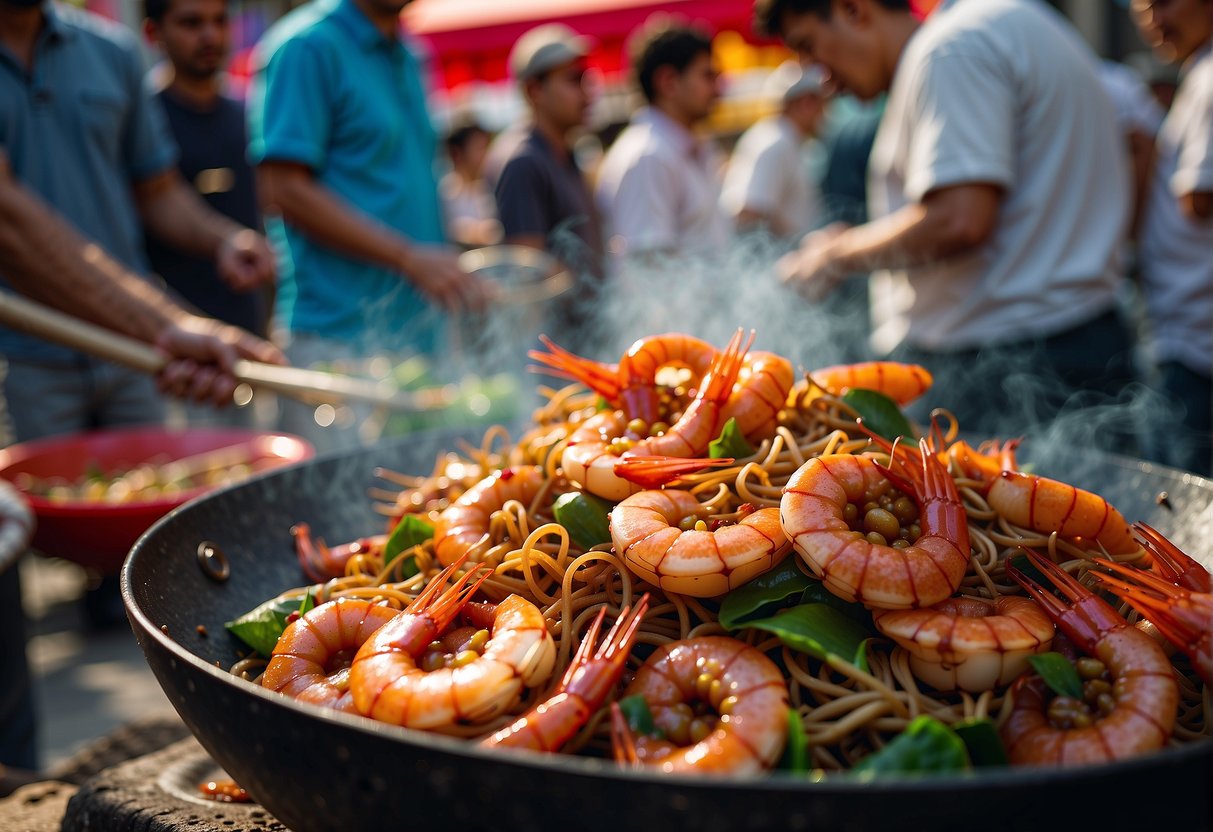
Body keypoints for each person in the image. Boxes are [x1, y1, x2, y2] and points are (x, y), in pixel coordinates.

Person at [0, 150, 284, 777]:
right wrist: (167, 326)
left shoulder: (106, 54)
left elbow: (16, 212)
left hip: (116, 321)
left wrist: (167, 327)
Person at [0, 0, 277, 628]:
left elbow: (157, 191)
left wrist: (219, 239)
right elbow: (8, 218)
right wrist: (166, 323)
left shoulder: (111, 52)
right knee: (43, 533)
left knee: (150, 531)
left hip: (129, 341)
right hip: (29, 346)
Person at [758, 0, 1137, 444]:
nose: (820, 77)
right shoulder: (1006, 21)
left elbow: (960, 218)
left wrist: (833, 256)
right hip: (1076, 341)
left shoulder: (949, 51)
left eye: (809, 46)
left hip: (1014, 370)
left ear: (853, 10)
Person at [143, 0, 273, 428]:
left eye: (219, 21)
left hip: (249, 344)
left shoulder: (247, 115)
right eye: (191, 23)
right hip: (174, 358)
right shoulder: (143, 121)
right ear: (153, 32)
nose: (210, 36)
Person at [1131, 0, 1212, 476]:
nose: (1153, 21)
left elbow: (1199, 196)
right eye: (1142, 8)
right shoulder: (1198, 71)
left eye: (1164, 2)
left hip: (1193, 339)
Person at [494, 23, 606, 341]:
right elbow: (527, 269)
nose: (587, 92)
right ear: (534, 91)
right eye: (573, 80)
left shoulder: (566, 153)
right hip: (556, 352)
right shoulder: (523, 162)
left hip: (586, 338)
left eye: (585, 78)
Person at [594, 20, 728, 259]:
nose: (718, 90)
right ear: (668, 82)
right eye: (708, 76)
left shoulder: (685, 148)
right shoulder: (648, 157)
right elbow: (651, 271)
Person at [720, 60, 828, 239]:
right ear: (806, 103)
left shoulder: (782, 139)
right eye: (823, 103)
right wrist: (794, 243)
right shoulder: (776, 143)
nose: (825, 111)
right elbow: (749, 212)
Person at [440, 118, 502, 250]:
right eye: (479, 148)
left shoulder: (483, 188)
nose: (485, 155)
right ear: (457, 153)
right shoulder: (446, 191)